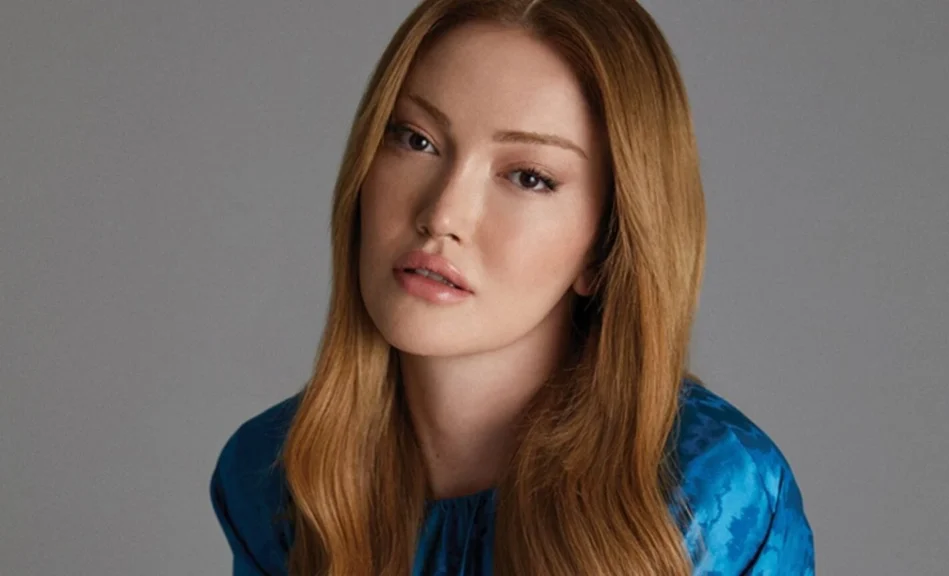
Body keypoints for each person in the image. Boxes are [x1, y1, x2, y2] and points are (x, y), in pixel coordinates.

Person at [208, 0, 815, 574]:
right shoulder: (274, 480)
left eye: (528, 177)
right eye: (417, 140)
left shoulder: (712, 495)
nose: (443, 215)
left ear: (605, 245)